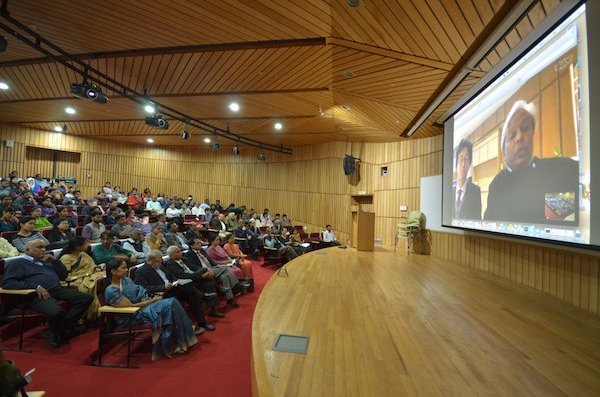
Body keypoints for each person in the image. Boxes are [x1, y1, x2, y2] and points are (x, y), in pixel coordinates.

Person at [484, 100, 579, 223]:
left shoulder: (561, 171)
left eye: (525, 128)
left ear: (533, 134)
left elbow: (563, 229)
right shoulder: (497, 186)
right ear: (504, 154)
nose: (519, 137)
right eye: (512, 135)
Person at [2, 240, 93, 347]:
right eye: (39, 247)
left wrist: (55, 261)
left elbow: (63, 276)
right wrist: (35, 287)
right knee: (56, 311)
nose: (43, 250)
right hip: (35, 295)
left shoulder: (46, 261)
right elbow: (8, 283)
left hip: (56, 290)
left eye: (44, 247)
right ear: (28, 250)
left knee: (86, 298)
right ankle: (58, 332)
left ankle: (60, 328)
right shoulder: (17, 263)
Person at [103, 259, 199, 360]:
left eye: (126, 267)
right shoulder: (111, 290)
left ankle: (180, 338)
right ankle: (174, 341)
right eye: (123, 268)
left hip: (144, 307)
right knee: (169, 303)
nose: (126, 270)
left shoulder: (126, 280)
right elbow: (131, 306)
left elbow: (140, 292)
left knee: (172, 302)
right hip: (132, 315)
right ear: (113, 272)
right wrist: (152, 301)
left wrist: (151, 299)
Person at [136, 250, 215, 332]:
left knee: (191, 292)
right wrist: (163, 287)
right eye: (157, 261)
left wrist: (174, 282)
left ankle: (202, 322)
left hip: (172, 288)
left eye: (161, 260)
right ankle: (202, 299)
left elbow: (172, 276)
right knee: (189, 292)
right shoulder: (141, 271)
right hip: (161, 293)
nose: (160, 263)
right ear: (149, 260)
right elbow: (144, 288)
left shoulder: (161, 266)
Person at [184, 238, 242, 309]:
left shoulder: (201, 250)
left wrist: (217, 266)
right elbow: (194, 267)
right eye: (198, 243)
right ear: (192, 245)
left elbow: (211, 261)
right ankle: (237, 286)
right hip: (204, 272)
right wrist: (205, 270)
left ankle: (230, 299)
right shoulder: (189, 254)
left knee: (225, 276)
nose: (200, 244)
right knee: (225, 268)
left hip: (212, 268)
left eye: (200, 242)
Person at [59, 237, 104, 320]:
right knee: (85, 287)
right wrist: (85, 274)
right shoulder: (65, 258)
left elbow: (92, 266)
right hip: (73, 280)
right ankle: (89, 316)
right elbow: (66, 276)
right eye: (86, 243)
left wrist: (92, 272)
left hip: (89, 275)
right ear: (77, 246)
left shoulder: (83, 254)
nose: (88, 245)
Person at [453, 139, 482, 220]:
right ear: (456, 164)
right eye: (461, 159)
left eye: (466, 159)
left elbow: (478, 220)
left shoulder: (475, 191)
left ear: (469, 164)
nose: (463, 164)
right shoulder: (448, 190)